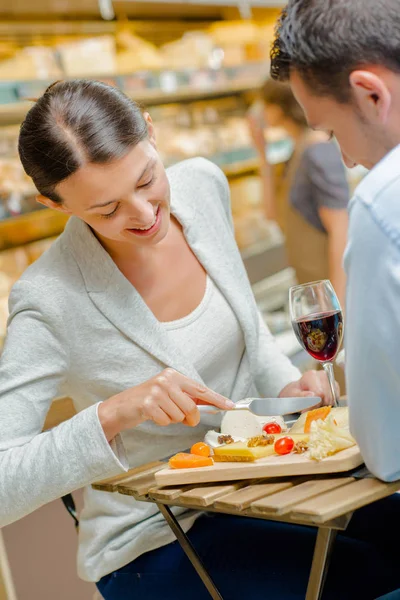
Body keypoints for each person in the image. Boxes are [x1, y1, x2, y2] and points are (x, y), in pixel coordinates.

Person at [0, 80, 394, 600]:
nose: (142, 216)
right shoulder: (47, 299)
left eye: (146, 180)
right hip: (156, 538)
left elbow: (250, 334)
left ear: (152, 132)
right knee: (364, 575)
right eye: (107, 210)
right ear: (55, 205)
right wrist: (114, 414)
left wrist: (292, 392)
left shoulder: (203, 186)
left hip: (262, 487)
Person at [271, 1, 400, 597]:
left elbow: (388, 451)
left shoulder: (382, 202)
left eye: (331, 130)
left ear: (370, 93)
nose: (343, 156)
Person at [247, 79, 349, 307]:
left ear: (278, 107)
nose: (260, 112)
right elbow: (271, 214)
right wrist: (262, 154)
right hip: (315, 292)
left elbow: (340, 228)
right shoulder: (298, 152)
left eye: (264, 104)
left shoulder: (317, 152)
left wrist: (337, 305)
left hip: (330, 297)